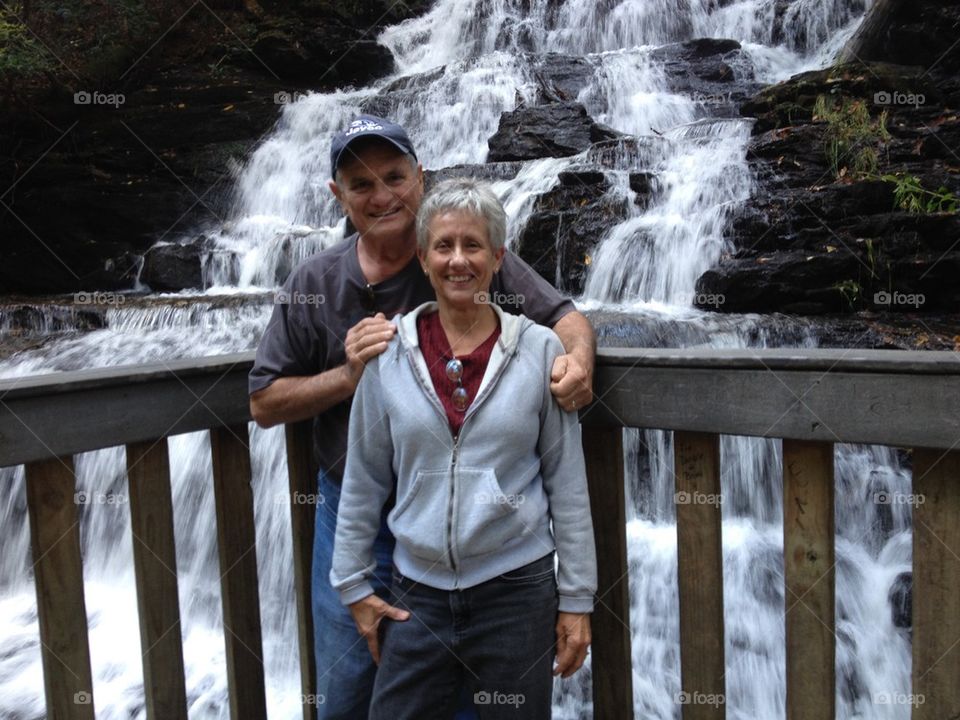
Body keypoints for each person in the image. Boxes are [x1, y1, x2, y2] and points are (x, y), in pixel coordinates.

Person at [249, 115, 596, 720]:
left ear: (420, 177)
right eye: (361, 184)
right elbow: (263, 402)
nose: (382, 195)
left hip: (487, 544)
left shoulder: (460, 242)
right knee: (347, 685)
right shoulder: (316, 282)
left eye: (393, 176)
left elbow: (563, 317)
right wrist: (349, 377)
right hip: (360, 508)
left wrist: (579, 365)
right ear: (338, 196)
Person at [331, 178, 597, 719]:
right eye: (444, 246)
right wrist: (353, 583)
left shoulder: (538, 348)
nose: (459, 260)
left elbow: (566, 483)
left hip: (517, 593)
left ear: (497, 258)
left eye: (473, 246)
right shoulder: (388, 355)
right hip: (416, 593)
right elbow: (363, 477)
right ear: (424, 259)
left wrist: (576, 600)